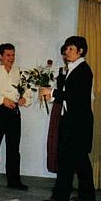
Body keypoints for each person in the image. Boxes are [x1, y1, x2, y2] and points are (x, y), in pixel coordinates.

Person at [41, 36, 95, 201]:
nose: (66, 52)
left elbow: (75, 97)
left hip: (77, 122)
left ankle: (60, 197)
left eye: (70, 49)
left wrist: (53, 92)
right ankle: (87, 195)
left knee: (66, 159)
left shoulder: (84, 70)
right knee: (80, 160)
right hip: (73, 120)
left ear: (80, 51)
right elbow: (67, 94)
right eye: (66, 49)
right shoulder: (73, 69)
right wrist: (59, 83)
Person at [0, 43, 31, 191]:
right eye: (8, 55)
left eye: (13, 55)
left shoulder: (19, 72)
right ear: (0, 56)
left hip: (13, 113)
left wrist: (25, 99)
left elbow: (26, 90)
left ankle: (14, 180)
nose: (11, 58)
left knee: (13, 147)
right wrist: (2, 100)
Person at [46, 45, 67, 173]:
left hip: (71, 110)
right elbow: (52, 92)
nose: (66, 56)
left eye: (68, 52)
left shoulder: (79, 72)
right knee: (56, 141)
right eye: (64, 54)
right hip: (58, 109)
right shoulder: (59, 71)